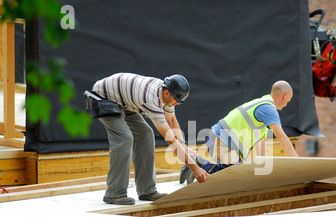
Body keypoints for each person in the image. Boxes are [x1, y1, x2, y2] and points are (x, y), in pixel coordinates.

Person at [92, 72, 208, 205]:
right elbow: (170, 139)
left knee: (146, 134)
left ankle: (147, 190)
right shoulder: (150, 100)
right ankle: (114, 193)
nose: (177, 104)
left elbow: (171, 120)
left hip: (124, 100)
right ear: (166, 93)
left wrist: (184, 146)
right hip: (104, 97)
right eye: (176, 100)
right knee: (124, 138)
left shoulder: (166, 95)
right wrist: (195, 168)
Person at [180, 80, 299, 184]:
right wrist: (298, 164)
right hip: (222, 141)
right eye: (287, 101)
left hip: (221, 141)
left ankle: (198, 164)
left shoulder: (263, 104)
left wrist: (262, 168)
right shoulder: (268, 109)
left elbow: (261, 141)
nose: (286, 104)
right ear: (284, 96)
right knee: (233, 179)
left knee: (239, 175)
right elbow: (282, 138)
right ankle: (198, 163)